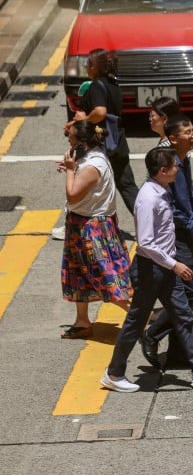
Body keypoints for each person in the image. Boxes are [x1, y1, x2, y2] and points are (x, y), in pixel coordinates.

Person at [100, 147, 193, 393]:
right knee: (135, 322)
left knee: (183, 316)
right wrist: (176, 264)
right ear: (162, 171)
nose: (177, 168)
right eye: (173, 165)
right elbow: (147, 243)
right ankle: (114, 373)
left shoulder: (162, 190)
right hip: (151, 269)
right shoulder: (148, 198)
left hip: (164, 267)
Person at [141, 115, 193, 369]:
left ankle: (177, 353)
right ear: (173, 139)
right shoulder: (169, 165)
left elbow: (190, 193)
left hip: (186, 232)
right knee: (191, 290)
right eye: (187, 132)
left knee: (186, 292)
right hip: (174, 236)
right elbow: (170, 208)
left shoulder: (184, 159)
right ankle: (153, 333)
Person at [58, 120, 132, 339]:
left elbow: (72, 195)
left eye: (70, 137)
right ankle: (82, 321)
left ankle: (140, 318)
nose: (68, 141)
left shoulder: (92, 166)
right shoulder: (90, 158)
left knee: (104, 277)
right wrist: (72, 169)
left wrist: (71, 170)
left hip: (91, 229)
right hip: (81, 223)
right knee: (77, 273)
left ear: (82, 142)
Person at [65, 49, 138, 214]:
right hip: (117, 142)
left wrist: (83, 119)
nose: (86, 67)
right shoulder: (114, 85)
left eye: (88, 64)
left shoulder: (97, 86)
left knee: (83, 184)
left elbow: (100, 112)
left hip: (100, 145)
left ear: (95, 67)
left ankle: (74, 220)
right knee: (127, 186)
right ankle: (149, 222)